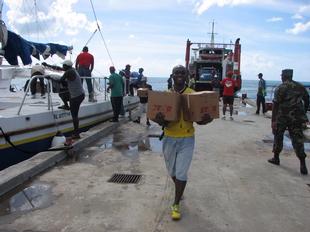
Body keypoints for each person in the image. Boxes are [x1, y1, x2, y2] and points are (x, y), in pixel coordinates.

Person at [153, 65, 213, 220]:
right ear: (172, 76)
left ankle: (176, 203)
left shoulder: (193, 95)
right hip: (169, 138)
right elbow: (162, 122)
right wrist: (159, 120)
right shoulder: (165, 96)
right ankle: (179, 188)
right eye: (177, 73)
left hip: (187, 138)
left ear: (187, 76)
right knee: (172, 172)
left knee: (181, 172)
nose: (179, 75)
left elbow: (198, 121)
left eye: (182, 73)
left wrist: (206, 120)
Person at [268, 69, 309, 175]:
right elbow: (307, 99)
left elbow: (275, 105)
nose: (281, 77)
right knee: (298, 139)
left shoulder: (280, 88)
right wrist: (303, 112)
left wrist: (273, 121)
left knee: (278, 136)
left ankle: (276, 158)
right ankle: (302, 164)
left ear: (284, 76)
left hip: (282, 117)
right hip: (296, 118)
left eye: (282, 75)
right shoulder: (300, 87)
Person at [45, 60, 85, 139]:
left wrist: (50, 77)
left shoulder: (68, 72)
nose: (63, 66)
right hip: (80, 94)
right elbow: (59, 69)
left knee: (74, 115)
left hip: (76, 96)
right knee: (62, 94)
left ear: (66, 66)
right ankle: (66, 106)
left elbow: (60, 81)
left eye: (64, 65)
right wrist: (48, 65)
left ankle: (76, 134)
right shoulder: (72, 70)